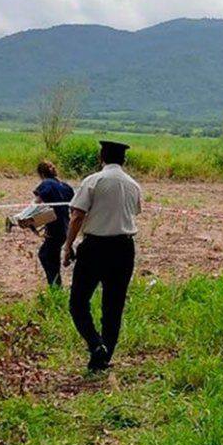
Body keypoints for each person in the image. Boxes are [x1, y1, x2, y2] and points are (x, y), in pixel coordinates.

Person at [62, 140, 142, 372]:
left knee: (78, 302)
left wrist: (68, 246)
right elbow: (135, 211)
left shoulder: (93, 181)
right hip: (124, 249)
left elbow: (77, 216)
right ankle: (104, 356)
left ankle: (96, 346)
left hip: (95, 247)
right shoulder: (133, 185)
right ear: (123, 160)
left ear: (101, 157)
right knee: (113, 305)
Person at [33, 160, 74, 288]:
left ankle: (55, 287)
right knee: (47, 254)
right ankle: (55, 285)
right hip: (65, 227)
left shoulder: (46, 183)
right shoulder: (66, 186)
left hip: (55, 228)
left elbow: (37, 204)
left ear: (41, 174)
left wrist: (27, 219)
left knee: (48, 257)